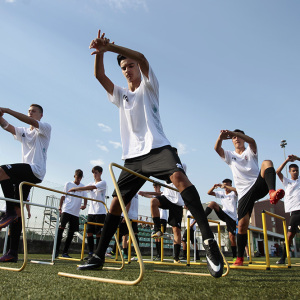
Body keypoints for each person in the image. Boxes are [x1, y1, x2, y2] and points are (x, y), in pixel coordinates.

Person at [78, 30, 223, 278]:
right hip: (133, 158)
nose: (127, 70)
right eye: (124, 68)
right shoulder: (120, 95)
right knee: (115, 204)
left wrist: (112, 48)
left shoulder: (149, 86)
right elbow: (99, 75)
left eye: (130, 65)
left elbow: (143, 58)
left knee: (180, 179)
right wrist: (100, 54)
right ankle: (99, 255)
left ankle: (210, 243)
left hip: (158, 148)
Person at [214, 129, 285, 266]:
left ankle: (272, 193)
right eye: (234, 137)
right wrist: (221, 137)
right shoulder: (230, 155)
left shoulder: (250, 151)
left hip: (258, 185)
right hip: (243, 193)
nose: (236, 139)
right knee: (242, 225)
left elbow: (252, 141)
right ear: (232, 141)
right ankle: (240, 258)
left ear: (243, 138)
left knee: (267, 162)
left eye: (239, 137)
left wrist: (239, 134)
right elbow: (217, 148)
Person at [0, 104, 51, 262]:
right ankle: (12, 253)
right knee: (18, 212)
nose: (30, 113)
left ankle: (10, 211)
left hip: (35, 171)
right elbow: (7, 126)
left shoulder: (44, 128)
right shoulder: (24, 131)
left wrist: (7, 110)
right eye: (29, 111)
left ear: (40, 115)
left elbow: (28, 120)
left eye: (33, 112)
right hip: (23, 176)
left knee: (1, 170)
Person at [148, 159, 186, 263]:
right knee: (153, 202)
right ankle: (157, 229)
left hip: (177, 202)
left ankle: (176, 257)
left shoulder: (182, 166)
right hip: (167, 197)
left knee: (176, 230)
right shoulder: (165, 164)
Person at [68, 166, 107, 260]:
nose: (94, 174)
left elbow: (92, 187)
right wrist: (76, 188)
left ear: (100, 173)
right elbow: (85, 188)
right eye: (93, 173)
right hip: (91, 212)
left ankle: (97, 254)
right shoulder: (91, 183)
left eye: (96, 172)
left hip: (100, 212)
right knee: (89, 233)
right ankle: (90, 253)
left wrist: (76, 189)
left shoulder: (103, 182)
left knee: (98, 234)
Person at [56, 169, 87, 258]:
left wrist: (84, 205)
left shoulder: (82, 186)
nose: (78, 180)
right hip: (67, 209)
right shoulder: (68, 184)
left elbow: (85, 197)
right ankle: (56, 250)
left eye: (80, 178)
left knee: (71, 232)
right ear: (74, 176)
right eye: (77, 177)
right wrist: (60, 207)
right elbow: (63, 195)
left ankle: (65, 252)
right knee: (61, 228)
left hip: (75, 212)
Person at [275, 154, 300, 264]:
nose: (296, 172)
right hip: (293, 212)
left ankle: (282, 258)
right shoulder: (287, 182)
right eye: (293, 171)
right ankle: (283, 258)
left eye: (297, 170)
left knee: (290, 235)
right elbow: (278, 172)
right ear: (290, 172)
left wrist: (297, 158)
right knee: (290, 235)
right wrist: (287, 160)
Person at [206, 179, 238, 259]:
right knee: (213, 203)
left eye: (227, 185)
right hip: (223, 214)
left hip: (231, 217)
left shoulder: (233, 193)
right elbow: (209, 193)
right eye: (224, 185)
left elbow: (237, 190)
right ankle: (203, 216)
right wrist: (213, 187)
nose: (225, 187)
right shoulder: (222, 193)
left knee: (232, 237)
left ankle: (235, 256)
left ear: (230, 185)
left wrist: (226, 186)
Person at [139, 183, 168, 260]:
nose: (155, 188)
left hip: (163, 218)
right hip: (156, 218)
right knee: (156, 236)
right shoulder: (155, 196)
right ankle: (158, 254)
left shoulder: (163, 193)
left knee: (160, 236)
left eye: (156, 186)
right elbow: (149, 196)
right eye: (154, 187)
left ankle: (160, 254)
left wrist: (146, 192)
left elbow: (158, 193)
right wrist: (143, 194)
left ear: (160, 186)